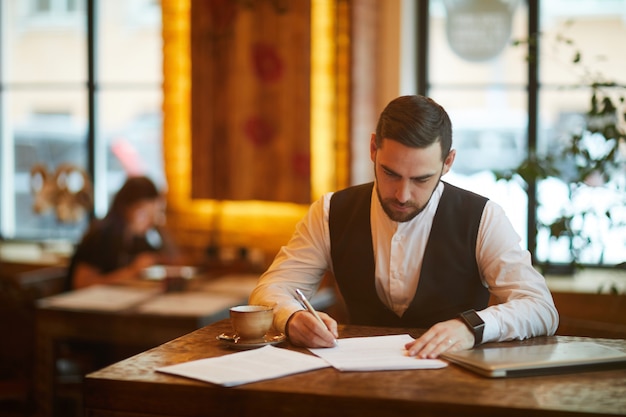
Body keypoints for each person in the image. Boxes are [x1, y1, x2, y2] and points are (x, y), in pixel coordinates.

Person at [249, 95, 559, 359]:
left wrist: (471, 327)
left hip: (458, 390)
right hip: (356, 385)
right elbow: (270, 289)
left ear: (447, 162)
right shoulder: (331, 213)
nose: (402, 194)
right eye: (390, 173)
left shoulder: (482, 217)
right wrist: (291, 317)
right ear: (373, 148)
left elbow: (540, 307)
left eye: (421, 179)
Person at [67, 175, 178, 289]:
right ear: (125, 207)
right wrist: (132, 271)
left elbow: (173, 260)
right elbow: (81, 284)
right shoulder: (101, 236)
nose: (150, 221)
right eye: (144, 214)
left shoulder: (138, 238)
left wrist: (160, 227)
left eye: (155, 214)